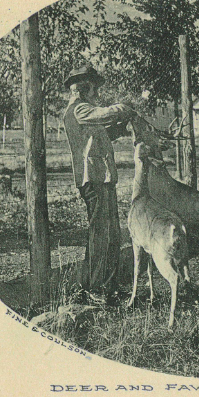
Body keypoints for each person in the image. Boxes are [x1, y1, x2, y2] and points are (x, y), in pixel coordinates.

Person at [63, 65, 133, 303]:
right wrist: (123, 109)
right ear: (85, 87)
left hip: (101, 178)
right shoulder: (79, 109)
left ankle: (108, 287)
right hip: (93, 179)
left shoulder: (85, 112)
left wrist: (118, 129)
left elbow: (98, 135)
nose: (97, 92)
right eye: (95, 87)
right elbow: (103, 115)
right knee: (100, 234)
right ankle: (94, 288)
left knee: (111, 234)